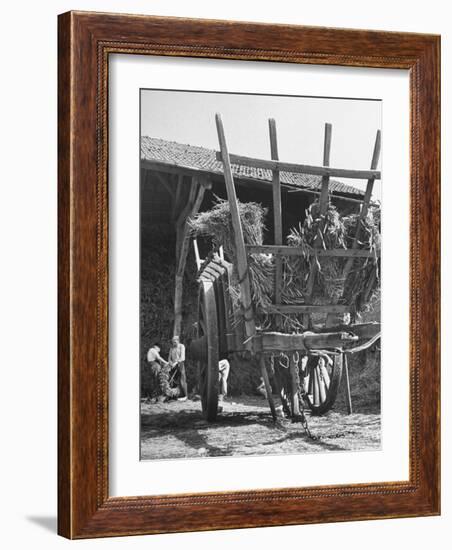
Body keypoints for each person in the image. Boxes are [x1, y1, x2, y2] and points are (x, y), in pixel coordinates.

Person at [168, 336, 188, 401]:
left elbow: (182, 357)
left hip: (180, 364)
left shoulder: (182, 346)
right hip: (173, 366)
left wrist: (176, 363)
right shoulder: (171, 348)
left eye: (175, 341)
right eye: (173, 342)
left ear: (178, 340)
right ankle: (175, 396)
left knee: (182, 380)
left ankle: (185, 396)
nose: (174, 343)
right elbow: (169, 358)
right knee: (174, 381)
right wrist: (171, 363)